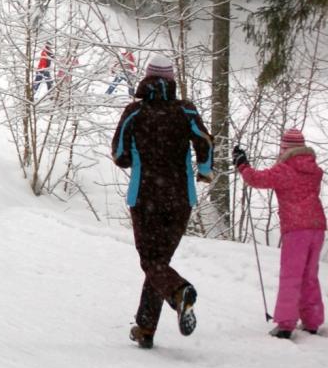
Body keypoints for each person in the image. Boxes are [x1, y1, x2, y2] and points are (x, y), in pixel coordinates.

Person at [111, 54, 212, 349]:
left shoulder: (135, 112)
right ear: (171, 81)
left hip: (145, 198)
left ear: (147, 78)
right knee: (160, 262)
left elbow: (119, 154)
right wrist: (204, 171)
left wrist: (135, 157)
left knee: (151, 261)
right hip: (181, 199)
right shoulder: (186, 111)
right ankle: (145, 328)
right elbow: (205, 141)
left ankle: (180, 291)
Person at [234, 129, 325, 339]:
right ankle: (312, 321)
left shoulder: (285, 169)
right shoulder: (314, 170)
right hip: (317, 226)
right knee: (309, 275)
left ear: (285, 148)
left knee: (291, 275)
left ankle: (285, 325)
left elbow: (256, 179)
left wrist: (242, 164)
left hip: (296, 228)